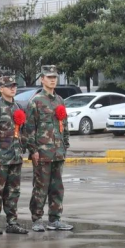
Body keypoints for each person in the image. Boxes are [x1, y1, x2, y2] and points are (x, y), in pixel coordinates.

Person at [26, 66, 73, 233]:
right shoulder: (36, 101)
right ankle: (37, 219)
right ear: (42, 79)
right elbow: (30, 129)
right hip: (42, 152)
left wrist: (65, 145)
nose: (52, 80)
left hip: (58, 151)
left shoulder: (60, 100)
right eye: (49, 77)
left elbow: (64, 125)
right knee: (40, 187)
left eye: (54, 77)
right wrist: (33, 150)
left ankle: (55, 219)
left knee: (57, 188)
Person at [0, 76, 29, 235]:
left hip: (15, 157)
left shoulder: (18, 107)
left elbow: (22, 131)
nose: (13, 88)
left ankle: (12, 222)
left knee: (13, 192)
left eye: (14, 86)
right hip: (0, 158)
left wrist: (22, 147)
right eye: (9, 86)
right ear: (1, 89)